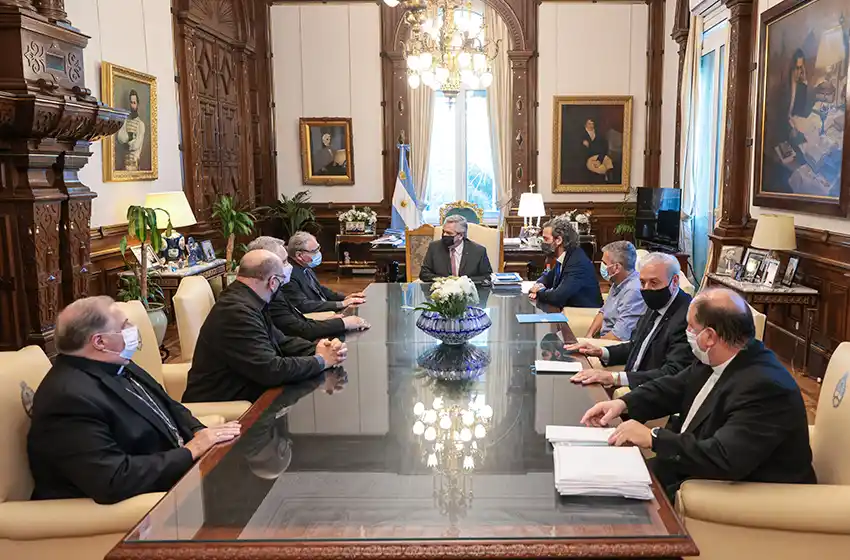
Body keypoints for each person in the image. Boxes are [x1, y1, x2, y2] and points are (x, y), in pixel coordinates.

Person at [580, 288, 816, 501]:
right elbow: (674, 387)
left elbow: (724, 458)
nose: (687, 332)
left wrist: (653, 437)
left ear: (710, 336)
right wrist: (622, 403)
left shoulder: (766, 387)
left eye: (691, 327)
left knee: (608, 501)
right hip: (688, 468)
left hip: (736, 495)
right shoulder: (716, 357)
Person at [27, 296, 241, 505]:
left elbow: (169, 405)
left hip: (174, 471)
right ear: (100, 341)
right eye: (124, 325)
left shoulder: (117, 363)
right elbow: (113, 478)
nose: (132, 328)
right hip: (142, 504)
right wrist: (190, 451)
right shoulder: (68, 398)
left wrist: (198, 431)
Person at [183, 250, 348, 403]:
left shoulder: (248, 299)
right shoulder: (237, 311)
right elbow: (271, 370)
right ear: (273, 282)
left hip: (249, 389)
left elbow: (281, 341)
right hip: (225, 402)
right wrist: (319, 361)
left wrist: (321, 348)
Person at [567, 253, 693, 390]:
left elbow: (672, 372)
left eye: (654, 283)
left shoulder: (687, 317)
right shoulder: (655, 305)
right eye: (643, 282)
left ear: (674, 281)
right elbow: (636, 346)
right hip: (631, 383)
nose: (646, 289)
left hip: (650, 392)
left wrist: (614, 378)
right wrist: (601, 351)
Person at [247, 236, 370, 339]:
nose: (288, 265)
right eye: (284, 261)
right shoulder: (283, 283)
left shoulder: (278, 288)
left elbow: (318, 291)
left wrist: (344, 300)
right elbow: (300, 319)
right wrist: (341, 317)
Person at [283, 231, 366, 313]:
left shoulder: (305, 266)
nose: (318, 253)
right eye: (314, 251)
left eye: (318, 249)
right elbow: (303, 305)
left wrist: (345, 298)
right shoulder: (289, 275)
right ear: (299, 255)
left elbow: (319, 288)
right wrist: (341, 304)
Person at [528, 216, 602, 308]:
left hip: (585, 314)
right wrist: (538, 284)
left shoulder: (577, 262)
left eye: (546, 239)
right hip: (569, 309)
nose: (543, 243)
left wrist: (538, 291)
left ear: (558, 240)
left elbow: (557, 296)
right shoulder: (566, 256)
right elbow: (548, 277)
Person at [584, 240, 645, 340]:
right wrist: (589, 336)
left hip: (613, 346)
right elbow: (603, 312)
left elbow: (619, 335)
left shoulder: (633, 291)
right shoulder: (617, 281)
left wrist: (593, 345)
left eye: (604, 263)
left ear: (616, 267)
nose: (602, 266)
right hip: (602, 341)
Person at [420, 215, 493, 283]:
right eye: (443, 232)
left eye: (449, 233)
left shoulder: (478, 251)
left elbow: (487, 276)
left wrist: (462, 282)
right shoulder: (434, 247)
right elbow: (424, 274)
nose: (444, 235)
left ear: (461, 235)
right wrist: (446, 280)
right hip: (441, 291)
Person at [115, 89, 146, 171]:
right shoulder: (125, 121)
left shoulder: (140, 124)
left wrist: (127, 142)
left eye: (134, 103)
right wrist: (131, 136)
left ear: (137, 104)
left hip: (134, 163)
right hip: (124, 162)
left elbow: (136, 144)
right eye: (131, 102)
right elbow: (120, 138)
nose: (132, 105)